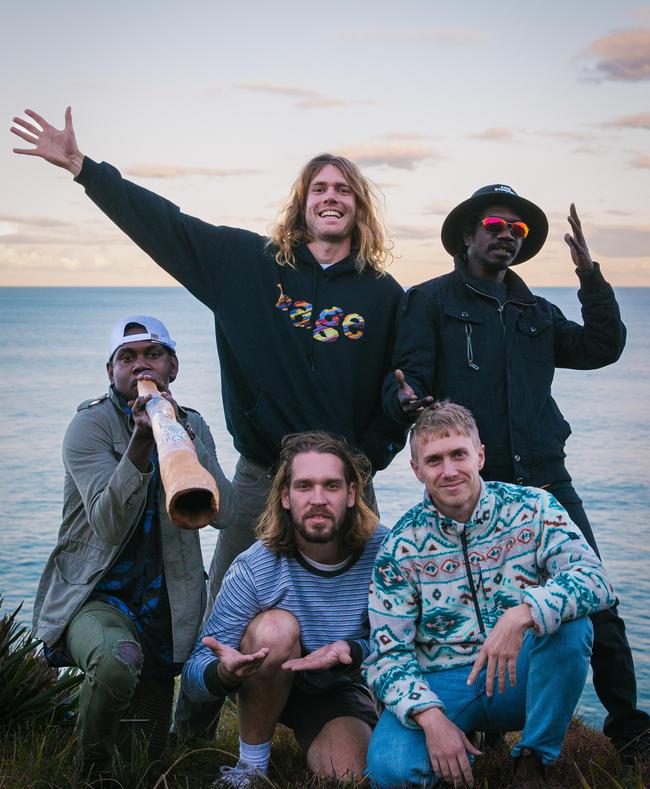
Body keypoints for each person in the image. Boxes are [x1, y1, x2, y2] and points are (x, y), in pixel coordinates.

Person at [12, 107, 405, 736]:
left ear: (360, 207)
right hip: (260, 474)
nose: (331, 198)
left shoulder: (385, 296)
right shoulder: (247, 266)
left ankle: (356, 719)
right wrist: (86, 170)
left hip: (342, 480)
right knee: (221, 608)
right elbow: (167, 226)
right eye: (319, 188)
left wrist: (372, 456)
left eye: (344, 190)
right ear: (302, 203)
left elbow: (400, 386)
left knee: (368, 604)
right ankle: (189, 736)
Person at [382, 183, 650, 764]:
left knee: (593, 603)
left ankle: (630, 730)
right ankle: (481, 719)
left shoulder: (536, 311)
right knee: (472, 605)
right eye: (497, 224)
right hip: (474, 484)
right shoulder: (429, 300)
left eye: (518, 230)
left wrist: (590, 277)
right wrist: (406, 401)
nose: (507, 234)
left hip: (545, 479)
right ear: (468, 235)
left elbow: (603, 346)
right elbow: (407, 379)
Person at [364, 402, 616, 789]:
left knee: (572, 628)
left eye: (458, 454)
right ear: (417, 470)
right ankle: (458, 741)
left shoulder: (533, 507)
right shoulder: (400, 548)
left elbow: (595, 580)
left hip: (520, 673)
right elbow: (386, 656)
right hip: (445, 682)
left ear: (480, 456)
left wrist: (522, 614)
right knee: (391, 772)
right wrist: (431, 720)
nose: (449, 471)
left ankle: (534, 760)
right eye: (434, 460)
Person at [33, 316, 236, 777]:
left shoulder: (194, 424)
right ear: (111, 372)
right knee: (114, 663)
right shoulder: (90, 426)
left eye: (152, 354)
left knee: (140, 766)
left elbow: (226, 513)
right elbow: (106, 525)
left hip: (164, 605)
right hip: (96, 595)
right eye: (127, 357)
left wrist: (179, 431)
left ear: (173, 366)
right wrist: (142, 443)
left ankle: (104, 760)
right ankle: (84, 778)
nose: (140, 365)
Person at [181, 431, 385, 788]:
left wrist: (353, 651)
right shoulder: (256, 566)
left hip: (334, 686)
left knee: (354, 775)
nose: (318, 499)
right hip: (265, 674)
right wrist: (225, 675)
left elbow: (408, 639)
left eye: (331, 486)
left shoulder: (385, 552)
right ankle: (251, 768)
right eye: (304, 486)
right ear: (285, 497)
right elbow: (196, 673)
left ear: (352, 494)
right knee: (275, 628)